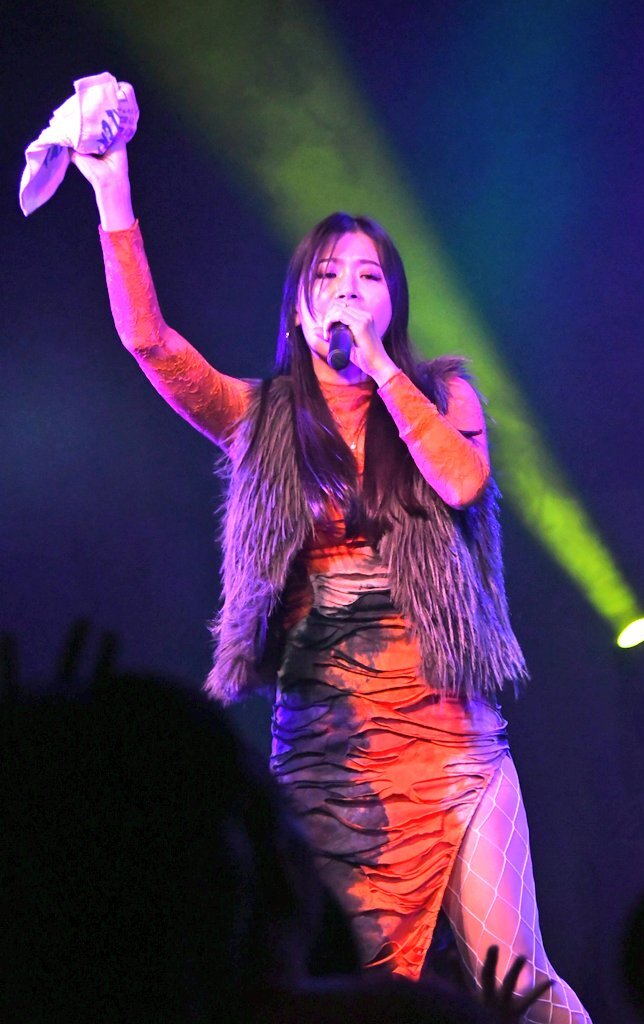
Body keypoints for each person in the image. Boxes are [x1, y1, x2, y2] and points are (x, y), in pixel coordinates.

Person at [69, 131, 592, 1023]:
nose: (348, 287)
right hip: (331, 754)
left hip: (454, 742)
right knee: (350, 988)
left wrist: (379, 367)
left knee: (518, 980)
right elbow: (150, 342)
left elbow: (463, 482)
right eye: (328, 275)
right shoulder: (260, 416)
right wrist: (110, 187)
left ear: (393, 300)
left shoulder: (440, 394)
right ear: (299, 305)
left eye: (368, 275)